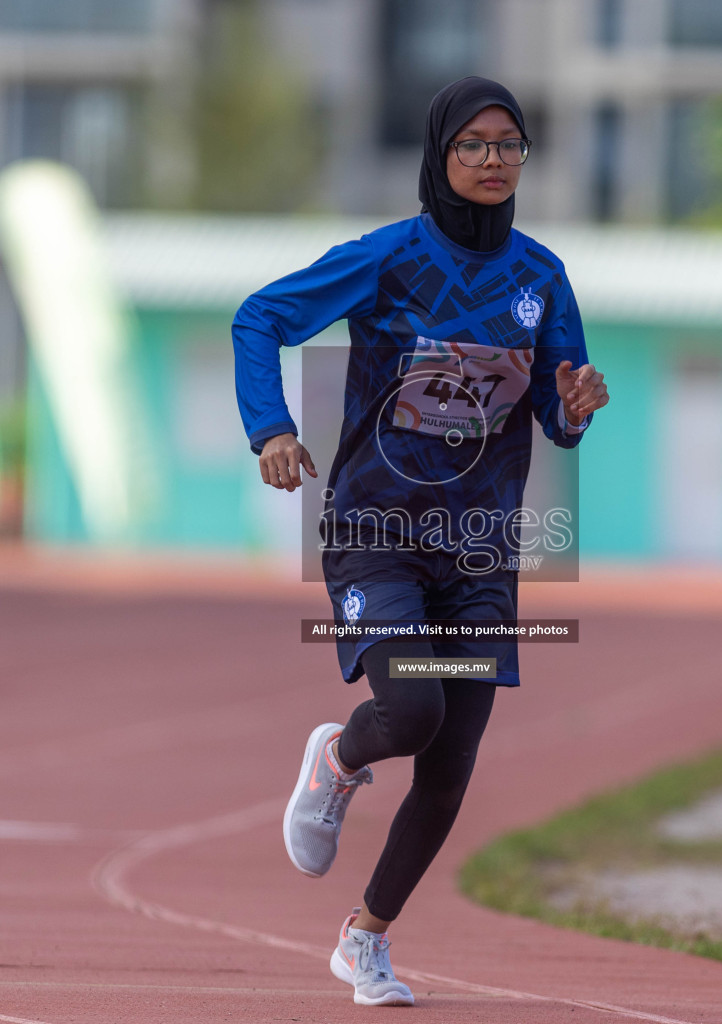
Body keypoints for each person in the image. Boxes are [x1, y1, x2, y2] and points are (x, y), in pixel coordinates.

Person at [232, 76, 608, 1006]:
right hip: (377, 530)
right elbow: (261, 318)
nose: (491, 161)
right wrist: (272, 428)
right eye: (472, 145)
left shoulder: (542, 277)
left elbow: (561, 415)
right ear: (439, 156)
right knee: (412, 714)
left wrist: (573, 408)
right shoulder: (390, 258)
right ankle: (340, 758)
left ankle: (366, 939)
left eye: (509, 145)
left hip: (480, 546)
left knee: (451, 763)